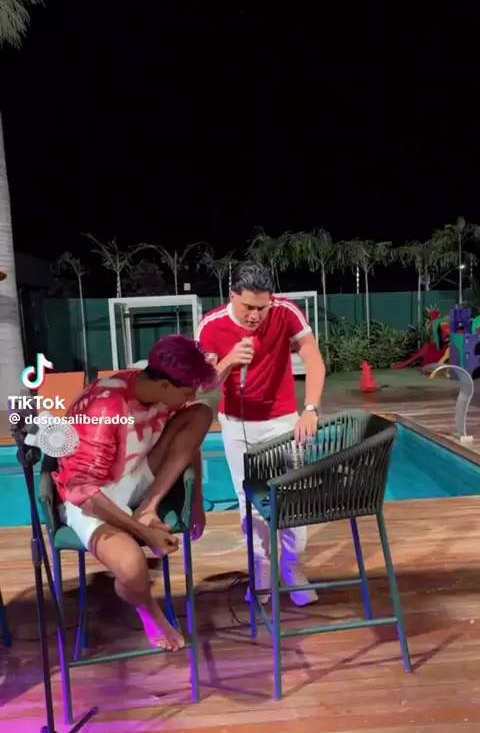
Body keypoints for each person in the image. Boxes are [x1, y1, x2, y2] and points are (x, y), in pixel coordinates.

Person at [52, 335, 216, 652]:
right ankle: (148, 609)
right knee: (131, 569)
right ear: (165, 386)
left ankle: (148, 506)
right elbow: (82, 491)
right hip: (92, 499)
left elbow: (190, 445)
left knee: (200, 414)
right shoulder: (105, 407)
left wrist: (195, 502)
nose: (191, 396)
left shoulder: (154, 385)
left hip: (133, 474)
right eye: (187, 391)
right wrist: (144, 533)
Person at [196, 261, 326, 606]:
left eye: (262, 307)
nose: (255, 315)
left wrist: (310, 409)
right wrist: (228, 361)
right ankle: (262, 572)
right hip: (236, 424)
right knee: (249, 500)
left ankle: (292, 569)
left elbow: (314, 360)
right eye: (248, 307)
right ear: (232, 295)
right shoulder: (211, 325)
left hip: (282, 421)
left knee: (292, 497)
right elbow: (204, 385)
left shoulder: (285, 312)